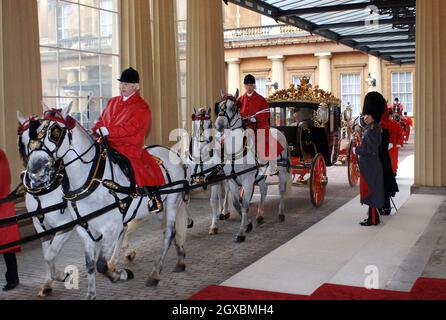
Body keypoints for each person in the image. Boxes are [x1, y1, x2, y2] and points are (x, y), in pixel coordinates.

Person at [92, 67, 165, 212]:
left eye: (125, 84)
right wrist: (97, 129)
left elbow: (131, 128)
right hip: (106, 144)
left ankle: (153, 197)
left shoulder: (142, 107)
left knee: (135, 166)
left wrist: (108, 131)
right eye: (121, 84)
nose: (121, 87)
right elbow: (102, 120)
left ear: (135, 87)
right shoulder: (112, 101)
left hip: (127, 147)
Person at [355, 92, 386, 226]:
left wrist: (357, 149)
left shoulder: (372, 130)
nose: (365, 117)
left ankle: (373, 219)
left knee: (372, 191)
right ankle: (371, 217)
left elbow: (370, 151)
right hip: (370, 165)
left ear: (373, 115)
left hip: (371, 165)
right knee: (371, 190)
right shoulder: (371, 128)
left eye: (367, 115)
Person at [238, 74, 284, 160]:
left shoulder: (261, 99)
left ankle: (271, 162)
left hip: (258, 125)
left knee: (263, 137)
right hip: (245, 126)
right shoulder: (240, 99)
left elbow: (266, 113)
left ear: (254, 86)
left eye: (251, 85)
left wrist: (256, 119)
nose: (249, 87)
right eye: (247, 85)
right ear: (244, 86)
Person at [0, 149, 21, 291]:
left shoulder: (0, 156)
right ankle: (13, 277)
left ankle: (13, 278)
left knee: (7, 248)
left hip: (3, 207)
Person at [379, 113, 400, 216]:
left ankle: (385, 206)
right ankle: (384, 206)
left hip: (390, 149)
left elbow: (399, 134)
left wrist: (395, 143)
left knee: (392, 165)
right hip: (385, 153)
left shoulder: (384, 126)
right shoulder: (381, 126)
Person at [387, 108, 405, 176]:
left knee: (393, 159)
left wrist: (398, 143)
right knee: (393, 159)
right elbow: (400, 134)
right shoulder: (396, 124)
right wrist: (398, 143)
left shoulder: (395, 124)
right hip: (393, 144)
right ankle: (393, 171)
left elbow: (400, 134)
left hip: (392, 145)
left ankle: (393, 171)